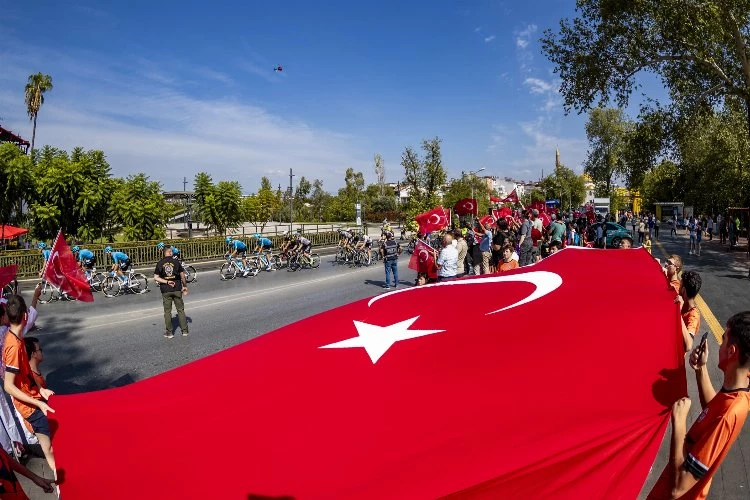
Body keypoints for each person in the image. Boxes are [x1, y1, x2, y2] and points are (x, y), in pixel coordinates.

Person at [647, 312, 750, 499]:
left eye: (723, 340)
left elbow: (677, 488)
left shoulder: (730, 414)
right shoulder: (738, 394)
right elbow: (713, 410)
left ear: (731, 351)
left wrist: (679, 422)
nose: (720, 345)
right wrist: (701, 370)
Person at [2, 295, 56, 478]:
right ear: (24, 316)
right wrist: (39, 403)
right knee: (49, 447)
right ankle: (60, 481)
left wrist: (40, 390)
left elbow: (24, 374)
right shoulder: (14, 347)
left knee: (51, 443)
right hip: (30, 407)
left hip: (34, 397)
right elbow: (9, 386)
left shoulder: (17, 338)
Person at [153, 245, 189, 339]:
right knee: (180, 310)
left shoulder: (160, 263)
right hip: (177, 288)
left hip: (166, 290)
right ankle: (184, 331)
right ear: (169, 252)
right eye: (171, 251)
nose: (172, 253)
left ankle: (169, 332)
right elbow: (182, 276)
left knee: (167, 312)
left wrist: (167, 281)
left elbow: (156, 278)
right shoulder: (176, 262)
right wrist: (185, 286)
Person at [675, 271, 702, 352]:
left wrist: (678, 313)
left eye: (680, 285)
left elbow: (688, 346)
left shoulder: (693, 315)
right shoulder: (680, 301)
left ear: (683, 290)